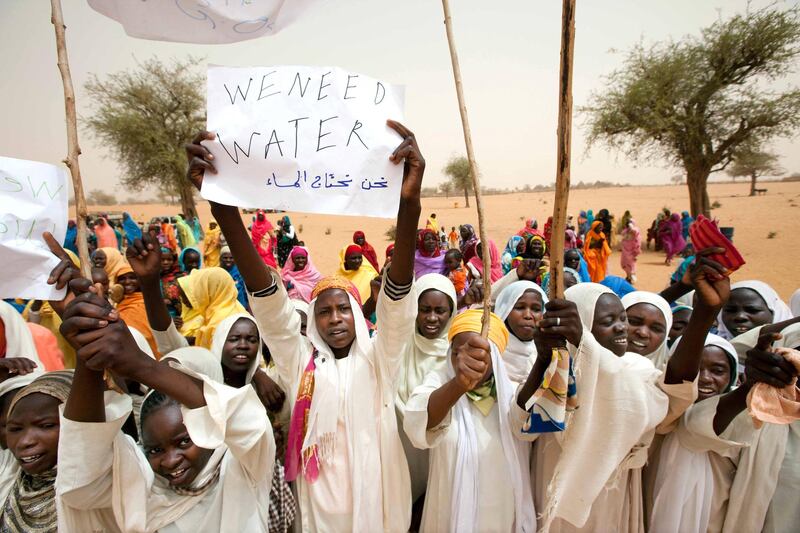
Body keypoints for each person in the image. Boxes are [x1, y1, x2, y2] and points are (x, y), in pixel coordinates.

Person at [184, 120, 424, 531]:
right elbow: (270, 306)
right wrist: (221, 205)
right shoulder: (301, 363)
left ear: (357, 315)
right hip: (320, 517)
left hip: (380, 512)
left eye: (343, 309)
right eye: (324, 312)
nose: (334, 318)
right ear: (312, 322)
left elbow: (398, 298)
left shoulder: (380, 358)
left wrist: (409, 205)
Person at [512, 250, 729, 532]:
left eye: (622, 318)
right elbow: (521, 422)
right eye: (608, 321)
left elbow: (661, 400)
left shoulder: (635, 368)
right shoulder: (553, 364)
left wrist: (704, 313)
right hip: (550, 493)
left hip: (608, 504)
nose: (622, 328)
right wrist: (545, 358)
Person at [56, 288, 275, 532]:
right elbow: (80, 482)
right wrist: (88, 358)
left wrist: (142, 366)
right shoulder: (144, 487)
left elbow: (250, 423)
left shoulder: (241, 467)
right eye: (155, 450)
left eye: (183, 442)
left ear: (209, 426)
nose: (170, 461)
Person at [404, 310, 535, 532]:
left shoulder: (512, 396)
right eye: (456, 354)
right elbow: (417, 421)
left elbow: (530, 427)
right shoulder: (439, 384)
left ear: (495, 357)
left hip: (501, 513)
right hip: (449, 511)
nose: (464, 362)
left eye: (478, 355)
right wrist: (458, 386)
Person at [395, 274, 457, 504]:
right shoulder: (399, 347)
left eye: (440, 311)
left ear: (451, 312)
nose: (432, 318)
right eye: (424, 309)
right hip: (401, 452)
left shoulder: (458, 353)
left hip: (442, 454)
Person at [494, 281, 548, 385]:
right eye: (519, 307)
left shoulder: (548, 352)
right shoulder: (491, 350)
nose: (528, 315)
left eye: (536, 309)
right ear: (506, 310)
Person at [717, 280, 794, 339]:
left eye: (752, 310)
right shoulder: (710, 350)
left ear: (775, 313)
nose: (740, 317)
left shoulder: (794, 349)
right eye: (730, 310)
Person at [622, 291, 673, 369]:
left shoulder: (664, 378)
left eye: (656, 329)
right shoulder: (596, 363)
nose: (643, 333)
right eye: (634, 322)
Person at [116, 265, 159, 356]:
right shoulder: (118, 303)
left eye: (132, 278)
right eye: (122, 279)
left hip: (149, 349)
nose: (127, 282)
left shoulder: (148, 300)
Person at [219, 246, 249, 311]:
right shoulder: (218, 272)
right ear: (220, 258)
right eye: (225, 258)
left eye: (231, 258)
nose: (228, 260)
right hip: (223, 307)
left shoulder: (240, 272)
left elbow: (245, 290)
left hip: (240, 305)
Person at [620, 219, 642, 283]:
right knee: (624, 264)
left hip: (632, 252)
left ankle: (631, 277)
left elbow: (635, 232)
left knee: (631, 265)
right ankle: (628, 276)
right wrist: (628, 229)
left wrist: (631, 227)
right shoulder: (625, 231)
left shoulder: (636, 231)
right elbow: (622, 233)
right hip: (625, 252)